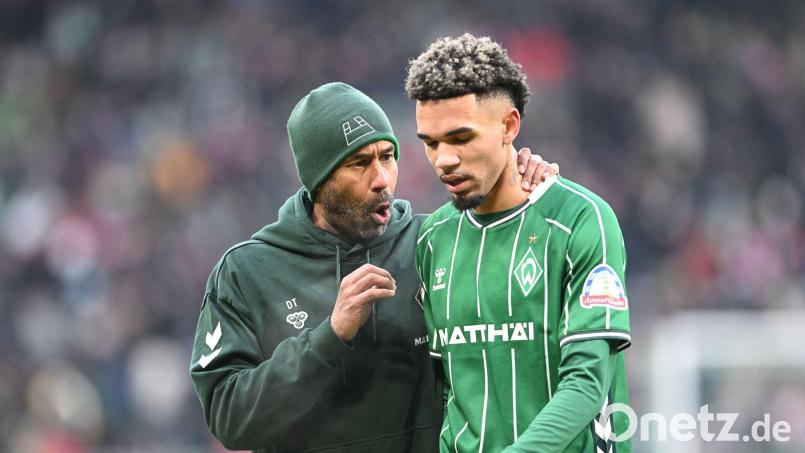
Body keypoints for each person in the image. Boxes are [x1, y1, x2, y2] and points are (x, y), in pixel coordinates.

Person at [189, 82, 558, 452]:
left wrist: (529, 191)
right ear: (319, 180)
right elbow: (229, 419)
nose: (381, 179)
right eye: (359, 164)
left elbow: (522, 326)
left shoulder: (437, 242)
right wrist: (329, 338)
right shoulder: (247, 272)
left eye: (387, 156)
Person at [408, 34, 632, 453]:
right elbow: (448, 392)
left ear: (509, 126)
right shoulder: (433, 240)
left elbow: (585, 384)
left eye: (460, 138)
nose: (443, 160)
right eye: (430, 143)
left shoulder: (581, 220)